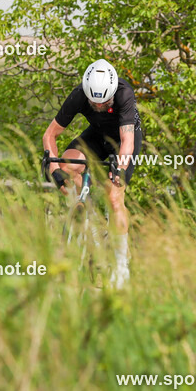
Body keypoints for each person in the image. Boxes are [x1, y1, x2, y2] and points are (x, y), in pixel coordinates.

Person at [42, 59, 143, 288]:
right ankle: (89, 215)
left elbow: (127, 140)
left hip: (123, 140)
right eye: (93, 102)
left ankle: (121, 265)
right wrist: (55, 170)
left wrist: (120, 169)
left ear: (112, 93)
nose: (98, 106)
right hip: (96, 135)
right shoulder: (79, 94)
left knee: (114, 197)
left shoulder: (124, 94)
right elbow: (50, 135)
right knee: (67, 166)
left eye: (104, 102)